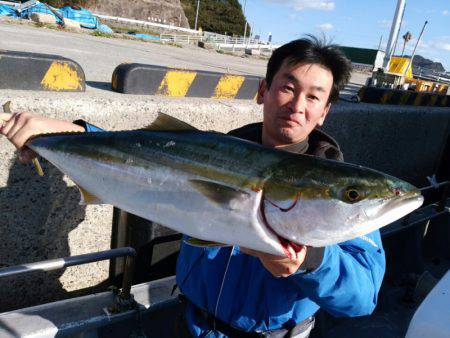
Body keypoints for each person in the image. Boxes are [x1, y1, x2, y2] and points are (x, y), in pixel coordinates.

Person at [0, 36, 385, 338]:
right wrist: (56, 131)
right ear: (264, 91)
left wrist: (311, 262)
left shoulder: (343, 193)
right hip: (188, 324)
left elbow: (362, 298)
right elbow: (136, 153)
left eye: (314, 96)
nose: (298, 104)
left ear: (325, 111)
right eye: (288, 87)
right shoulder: (209, 149)